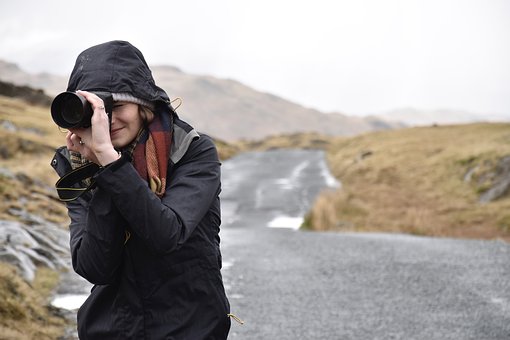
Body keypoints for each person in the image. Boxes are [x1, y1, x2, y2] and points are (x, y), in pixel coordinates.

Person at [50, 40, 231, 339]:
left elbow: (166, 234)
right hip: (112, 330)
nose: (107, 121)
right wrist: (101, 169)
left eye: (116, 106)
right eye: (95, 111)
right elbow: (95, 267)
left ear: (143, 103)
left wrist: (110, 164)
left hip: (189, 328)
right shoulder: (80, 166)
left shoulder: (191, 151)